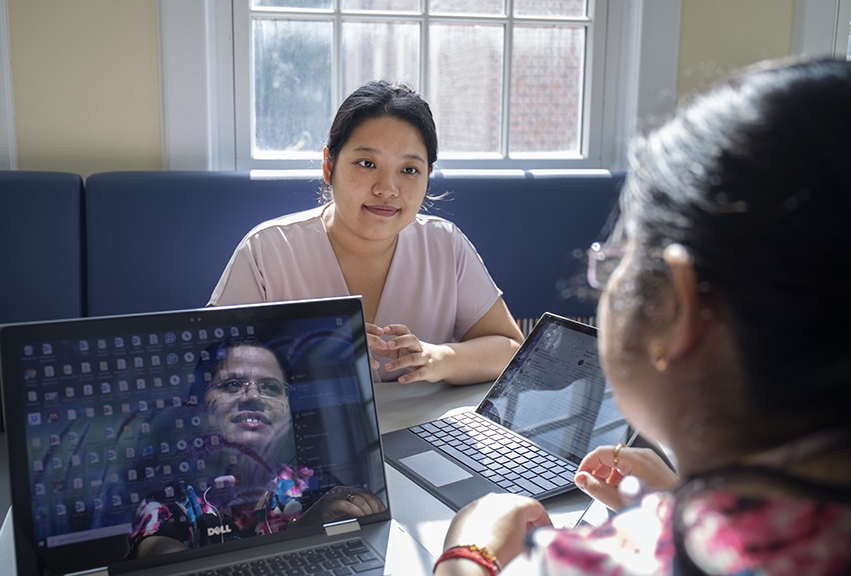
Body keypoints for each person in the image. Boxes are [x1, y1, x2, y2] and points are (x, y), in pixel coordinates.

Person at [433, 56, 851, 575]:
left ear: (681, 304)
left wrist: (467, 553)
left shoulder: (618, 558)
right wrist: (683, 497)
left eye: (613, 263)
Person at [208, 80, 524, 384]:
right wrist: (302, 352)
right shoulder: (268, 250)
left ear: (428, 175)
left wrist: (439, 358)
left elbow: (510, 348)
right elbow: (210, 363)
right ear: (329, 166)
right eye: (366, 163)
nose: (387, 189)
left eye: (409, 170)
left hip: (428, 432)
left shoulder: (446, 245)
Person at [128, 340, 384, 558]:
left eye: (271, 387)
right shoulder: (167, 507)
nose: (253, 397)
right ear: (198, 406)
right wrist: (300, 532)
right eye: (232, 385)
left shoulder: (313, 483)